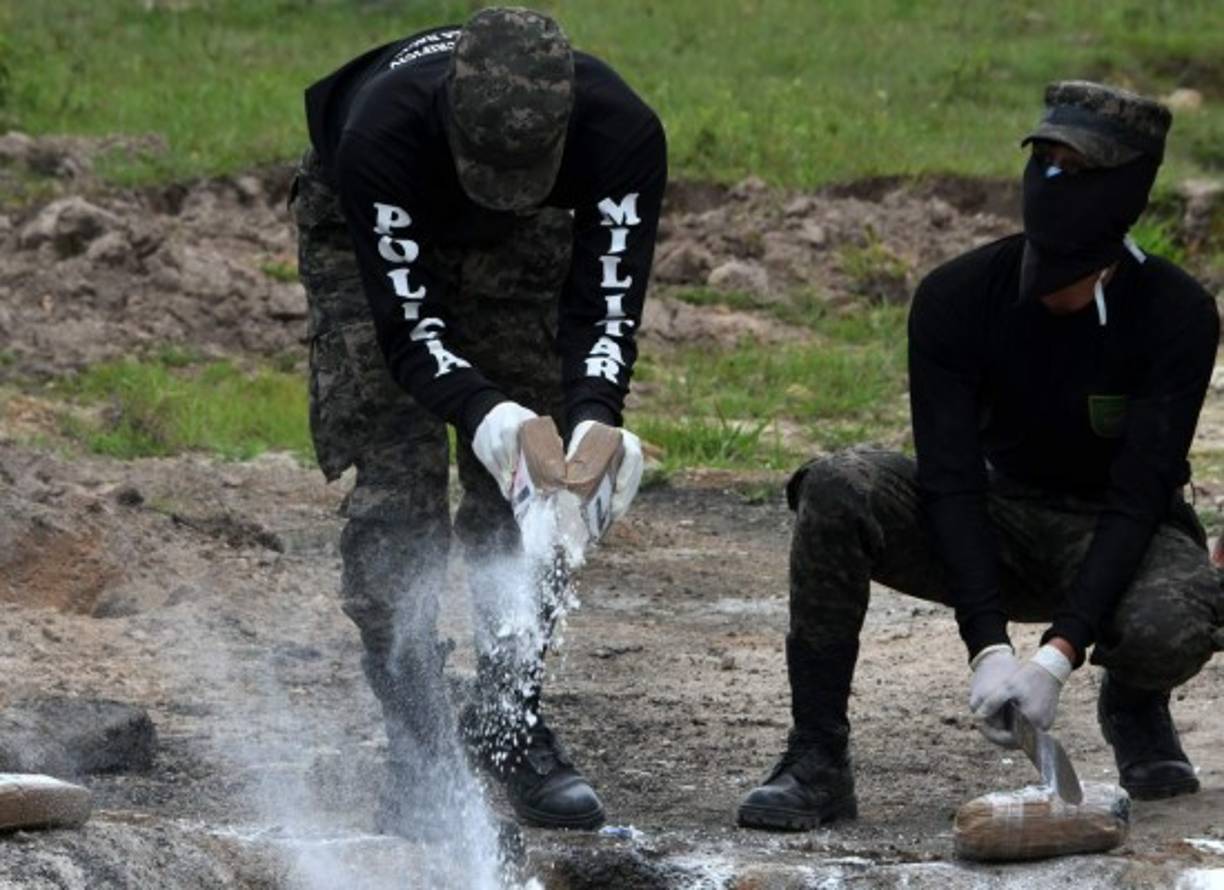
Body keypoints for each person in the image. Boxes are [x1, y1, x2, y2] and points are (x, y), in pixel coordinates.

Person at [737, 81, 1223, 831]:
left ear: (1124, 189)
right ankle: (816, 759)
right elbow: (951, 480)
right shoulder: (957, 297)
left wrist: (1057, 656)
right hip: (994, 516)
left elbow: (1138, 496)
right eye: (1044, 159)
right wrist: (987, 647)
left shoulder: (1177, 315)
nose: (1054, 183)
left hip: (1113, 530)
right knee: (839, 486)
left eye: (1078, 167)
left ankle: (1131, 698)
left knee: (1177, 616)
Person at [293, 6, 666, 832]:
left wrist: (595, 421)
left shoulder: (623, 134)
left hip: (524, 234)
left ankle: (510, 719)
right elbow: (410, 332)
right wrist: (487, 413)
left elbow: (607, 306)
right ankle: (419, 741)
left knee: (540, 485)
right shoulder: (380, 132)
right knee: (397, 491)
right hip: (372, 221)